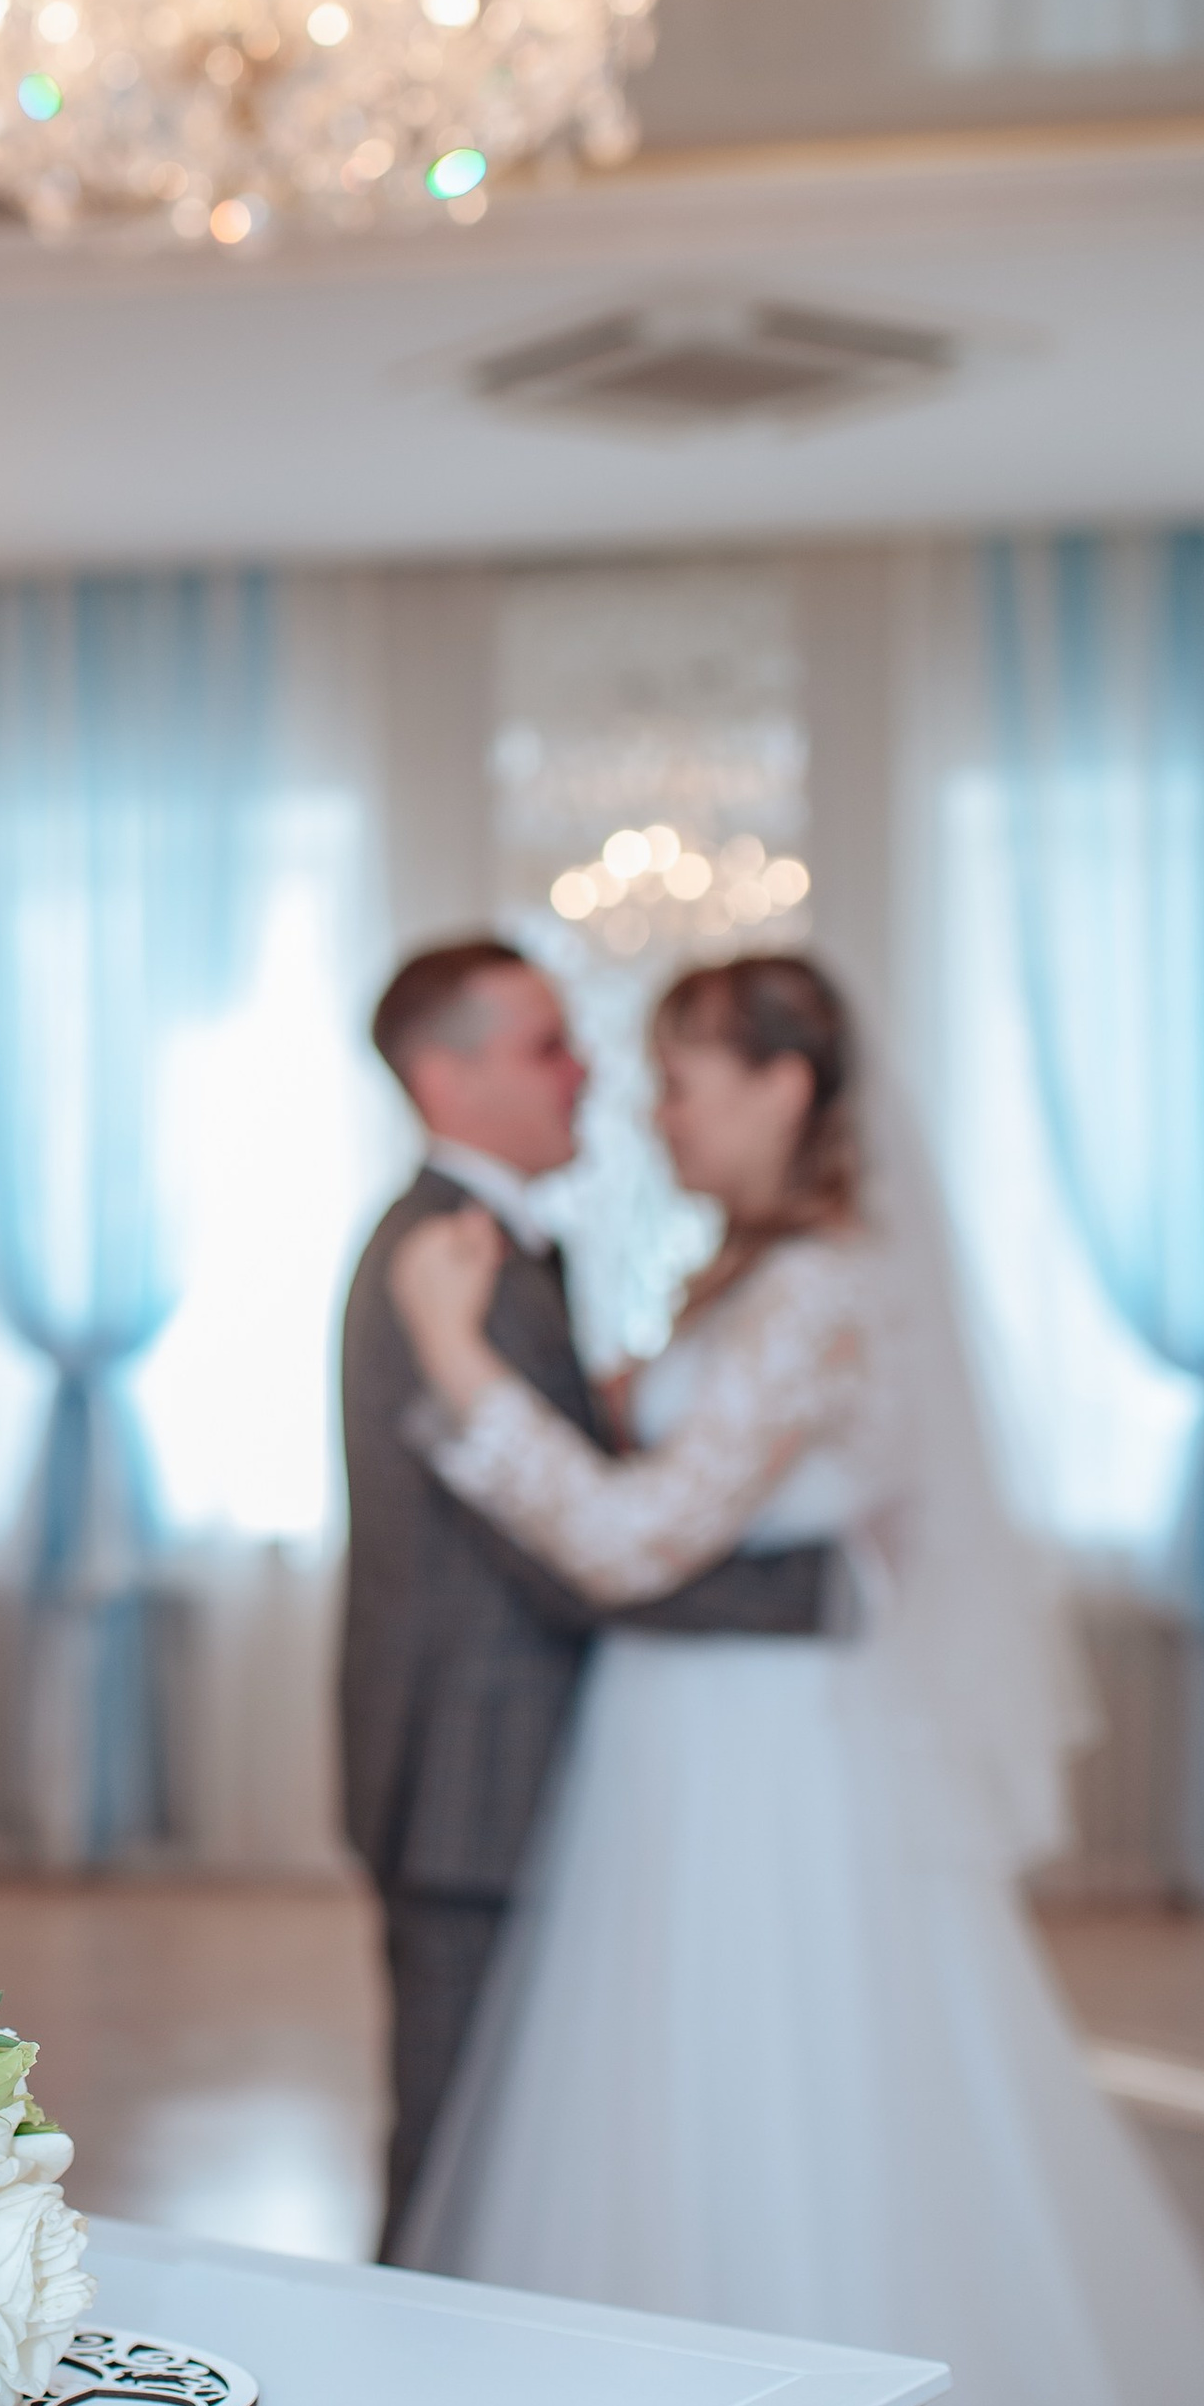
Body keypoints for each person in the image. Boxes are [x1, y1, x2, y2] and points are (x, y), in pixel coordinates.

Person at [386, 951, 1204, 2406]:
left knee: (791, 2126)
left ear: (783, 1083)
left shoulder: (829, 1288)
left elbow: (634, 1536)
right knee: (671, 2133)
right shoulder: (751, 1276)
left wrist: (454, 1357)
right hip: (685, 1752)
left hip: (761, 1772)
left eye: (685, 1074)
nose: (657, 1109)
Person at [342, 938, 837, 2253]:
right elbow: (573, 1551)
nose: (588, 1072)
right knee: (452, 2176)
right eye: (548, 1044)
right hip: (473, 1785)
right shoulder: (441, 1259)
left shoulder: (501, 1251)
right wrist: (810, 1590)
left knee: (520, 2159)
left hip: (524, 1773)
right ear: (446, 1079)